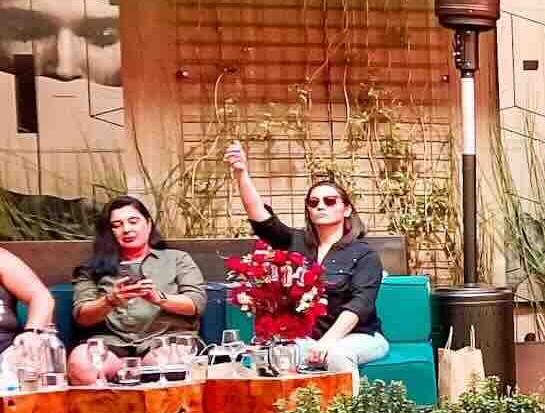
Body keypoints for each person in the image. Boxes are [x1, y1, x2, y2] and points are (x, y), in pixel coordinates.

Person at [224, 142, 389, 376]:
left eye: (330, 201)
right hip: (309, 338)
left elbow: (359, 306)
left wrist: (327, 343)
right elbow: (261, 220)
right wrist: (241, 173)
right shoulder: (296, 243)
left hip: (359, 337)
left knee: (337, 355)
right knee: (272, 354)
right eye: (314, 202)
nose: (321, 206)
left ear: (347, 209)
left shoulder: (363, 254)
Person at [69, 197, 206, 361]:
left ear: (148, 224)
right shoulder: (90, 269)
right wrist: (110, 301)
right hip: (111, 343)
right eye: (116, 225)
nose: (126, 229)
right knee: (81, 364)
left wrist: (158, 298)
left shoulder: (177, 259)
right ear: (109, 232)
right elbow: (82, 317)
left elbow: (195, 304)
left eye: (133, 221)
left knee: (160, 363)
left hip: (169, 340)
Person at [0, 243, 57, 367]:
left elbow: (41, 297)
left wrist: (32, 332)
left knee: (32, 355)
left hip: (6, 353)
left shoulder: (2, 259)